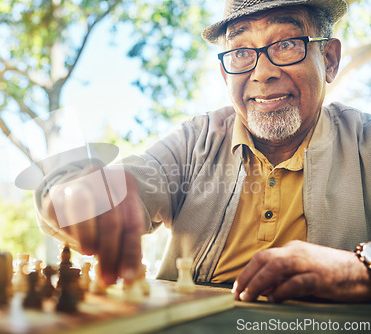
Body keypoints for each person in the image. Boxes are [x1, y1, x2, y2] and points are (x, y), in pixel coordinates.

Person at [35, 0, 371, 303]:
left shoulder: (364, 142)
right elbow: (130, 179)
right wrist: (76, 194)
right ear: (225, 73)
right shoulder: (195, 141)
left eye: (286, 44)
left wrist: (359, 267)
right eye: (241, 52)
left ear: (329, 59)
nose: (262, 72)